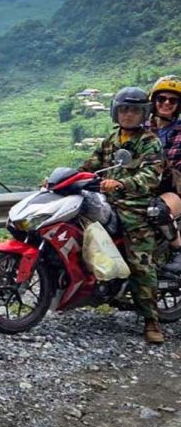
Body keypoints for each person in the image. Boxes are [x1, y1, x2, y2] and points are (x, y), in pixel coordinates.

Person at [79, 86, 164, 344]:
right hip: (106, 203)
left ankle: (151, 320)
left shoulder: (150, 141)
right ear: (116, 112)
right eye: (124, 109)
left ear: (144, 114)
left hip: (134, 208)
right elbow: (89, 166)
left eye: (135, 110)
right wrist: (63, 179)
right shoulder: (111, 140)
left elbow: (151, 175)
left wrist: (122, 184)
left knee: (140, 261)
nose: (129, 115)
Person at [147, 75, 181, 270]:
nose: (166, 103)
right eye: (162, 99)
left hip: (172, 188)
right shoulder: (139, 128)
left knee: (158, 210)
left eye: (173, 100)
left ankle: (178, 250)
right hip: (139, 186)